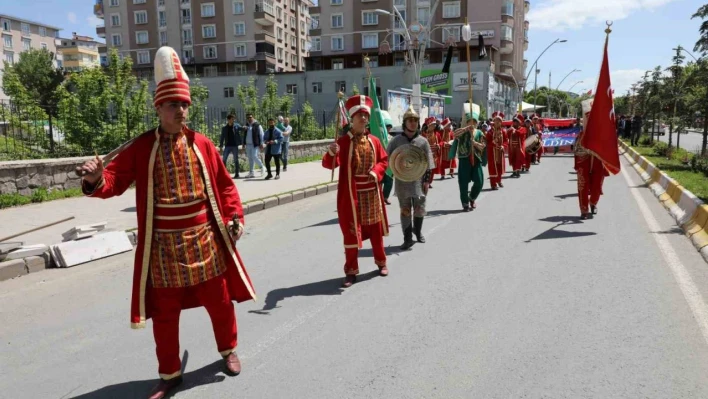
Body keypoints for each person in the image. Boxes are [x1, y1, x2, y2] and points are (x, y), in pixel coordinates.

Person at [77, 47, 256, 399]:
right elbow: (111, 184)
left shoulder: (203, 144)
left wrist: (235, 216)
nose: (181, 111)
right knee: (164, 314)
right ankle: (170, 373)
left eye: (184, 105)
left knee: (220, 303)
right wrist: (95, 178)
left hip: (205, 240)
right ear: (158, 108)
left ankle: (228, 350)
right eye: (173, 105)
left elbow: (224, 186)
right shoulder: (142, 147)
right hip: (162, 248)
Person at [322, 95, 390, 288]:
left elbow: (384, 161)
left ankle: (381, 262)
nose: (363, 119)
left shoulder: (375, 141)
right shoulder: (342, 143)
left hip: (372, 194)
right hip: (351, 198)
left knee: (376, 232)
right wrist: (331, 153)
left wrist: (376, 172)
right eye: (359, 115)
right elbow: (329, 164)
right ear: (351, 119)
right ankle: (351, 271)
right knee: (351, 235)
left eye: (365, 115)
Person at [386, 106, 435, 250]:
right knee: (405, 210)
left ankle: (418, 232)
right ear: (405, 123)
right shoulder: (396, 141)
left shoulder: (423, 141)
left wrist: (427, 181)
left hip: (419, 181)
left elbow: (429, 163)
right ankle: (407, 238)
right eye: (410, 120)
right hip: (402, 181)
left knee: (420, 209)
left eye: (415, 120)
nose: (413, 123)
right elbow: (386, 158)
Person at [575, 101, 609, 219]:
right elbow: (577, 151)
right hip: (584, 163)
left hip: (598, 163)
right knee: (583, 186)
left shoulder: (602, 135)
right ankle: (583, 210)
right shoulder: (581, 135)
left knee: (596, 188)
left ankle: (593, 203)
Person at [450, 110, 487, 211]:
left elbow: (483, 146)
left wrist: (475, 143)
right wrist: (466, 129)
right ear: (467, 122)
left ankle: (472, 198)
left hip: (476, 159)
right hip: (464, 159)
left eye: (474, 122)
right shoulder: (462, 131)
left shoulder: (479, 133)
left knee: (479, 181)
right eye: (470, 121)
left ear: (476, 123)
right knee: (463, 182)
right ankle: (465, 202)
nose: (472, 123)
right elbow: (454, 134)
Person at [485, 112, 507, 190]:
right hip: (492, 153)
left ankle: (499, 180)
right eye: (496, 121)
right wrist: (492, 143)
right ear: (493, 122)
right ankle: (493, 184)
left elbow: (505, 141)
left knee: (499, 167)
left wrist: (503, 146)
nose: (497, 123)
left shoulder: (503, 131)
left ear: (501, 122)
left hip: (500, 152)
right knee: (492, 168)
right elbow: (487, 142)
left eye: (499, 121)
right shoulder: (490, 132)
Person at [219, 114, 242, 178]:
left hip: (235, 146)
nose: (233, 120)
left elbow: (242, 128)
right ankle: (224, 174)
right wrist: (220, 146)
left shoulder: (236, 126)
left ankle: (237, 173)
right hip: (227, 146)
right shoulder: (224, 128)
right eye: (232, 119)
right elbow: (222, 137)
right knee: (224, 159)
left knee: (236, 160)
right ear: (228, 120)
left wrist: (246, 127)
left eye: (234, 119)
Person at [244, 113, 265, 178]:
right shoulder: (246, 125)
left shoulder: (257, 125)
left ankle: (262, 167)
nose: (249, 118)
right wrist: (243, 143)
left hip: (255, 144)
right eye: (248, 117)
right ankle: (251, 172)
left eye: (250, 117)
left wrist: (261, 143)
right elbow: (244, 135)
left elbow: (261, 134)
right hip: (248, 144)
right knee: (250, 158)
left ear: (253, 117)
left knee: (254, 156)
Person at [382, 117, 395, 205]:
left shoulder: (391, 138)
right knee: (379, 182)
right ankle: (378, 198)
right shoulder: (379, 136)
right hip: (380, 162)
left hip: (390, 163)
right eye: (387, 127)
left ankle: (385, 197)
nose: (388, 129)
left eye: (390, 128)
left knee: (389, 181)